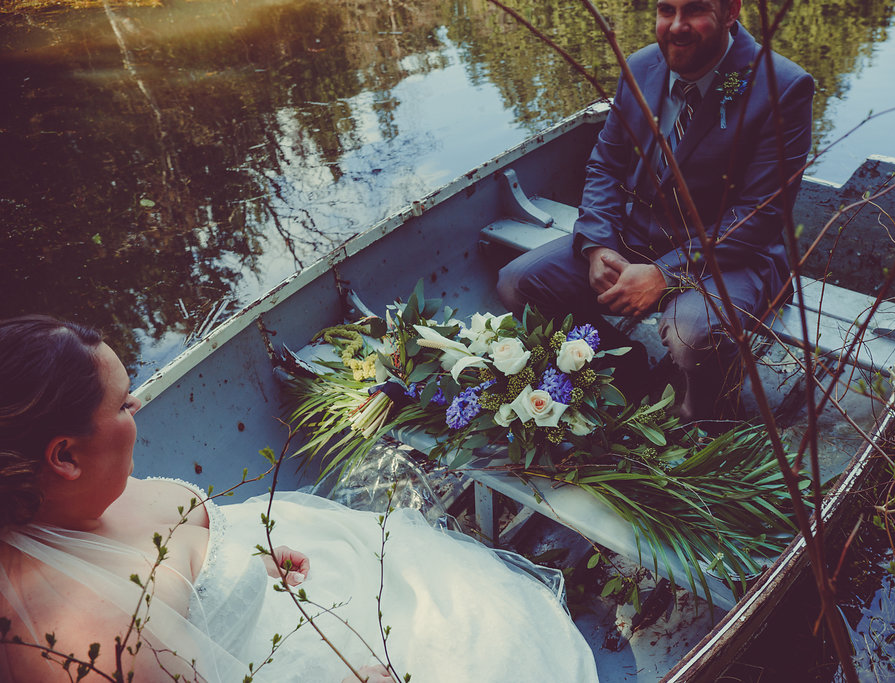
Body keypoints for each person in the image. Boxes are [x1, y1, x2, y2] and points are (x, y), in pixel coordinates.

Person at [0, 315, 599, 682]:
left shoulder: (51, 502)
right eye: (125, 403)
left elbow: (165, 565)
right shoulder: (106, 642)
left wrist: (244, 565)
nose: (139, 409)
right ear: (66, 456)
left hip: (288, 590)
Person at [497, 0, 814, 421]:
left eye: (695, 10)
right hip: (638, 235)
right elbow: (605, 166)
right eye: (667, 10)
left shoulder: (783, 86)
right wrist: (596, 246)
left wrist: (666, 274)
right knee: (520, 284)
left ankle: (710, 413)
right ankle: (625, 373)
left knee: (692, 333)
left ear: (732, 10)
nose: (677, 27)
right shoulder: (642, 66)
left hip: (735, 257)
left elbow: (759, 216)